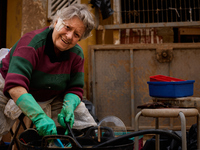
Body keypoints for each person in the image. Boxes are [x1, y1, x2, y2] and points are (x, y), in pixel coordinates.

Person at [0, 3, 97, 141]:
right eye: (67, 27)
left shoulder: (77, 54)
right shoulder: (31, 43)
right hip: (8, 88)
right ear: (56, 21)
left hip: (48, 94)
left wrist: (69, 105)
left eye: (76, 34)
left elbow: (75, 88)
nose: (69, 36)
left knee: (84, 125)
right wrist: (39, 117)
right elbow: (15, 86)